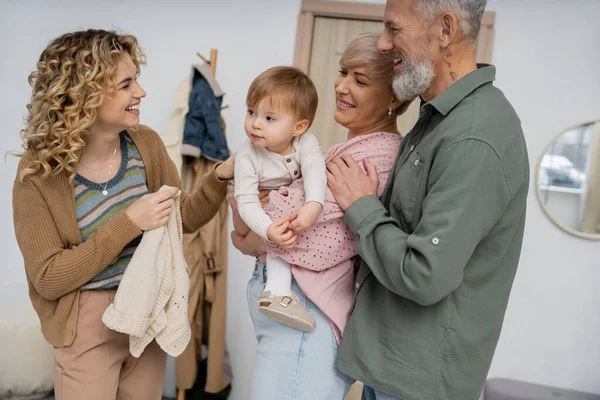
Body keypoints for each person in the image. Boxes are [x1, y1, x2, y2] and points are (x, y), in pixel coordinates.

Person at [12, 29, 234, 400]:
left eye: (138, 80)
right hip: (85, 324)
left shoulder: (145, 143)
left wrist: (219, 178)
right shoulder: (39, 174)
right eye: (126, 83)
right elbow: (48, 277)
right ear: (84, 93)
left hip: (146, 313)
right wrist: (128, 223)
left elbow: (183, 220)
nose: (141, 93)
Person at [325, 1, 530, 399]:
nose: (383, 44)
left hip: (417, 387)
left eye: (394, 30)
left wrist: (360, 207)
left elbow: (425, 273)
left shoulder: (474, 136)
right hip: (389, 370)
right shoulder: (436, 119)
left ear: (445, 30)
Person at [230, 33, 407, 400]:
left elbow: (310, 237)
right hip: (295, 313)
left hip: (308, 315)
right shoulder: (344, 148)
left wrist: (250, 227)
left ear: (394, 98)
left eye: (360, 80)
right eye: (343, 72)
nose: (341, 86)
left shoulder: (376, 157)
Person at [234, 66, 325, 332]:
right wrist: (268, 229)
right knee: (277, 222)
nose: (256, 123)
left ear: (299, 127)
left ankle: (280, 290)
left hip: (289, 205)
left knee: (293, 210)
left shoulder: (305, 143)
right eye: (251, 112)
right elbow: (247, 202)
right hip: (258, 212)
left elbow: (315, 172)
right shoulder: (248, 155)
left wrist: (314, 204)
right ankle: (276, 291)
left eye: (269, 118)